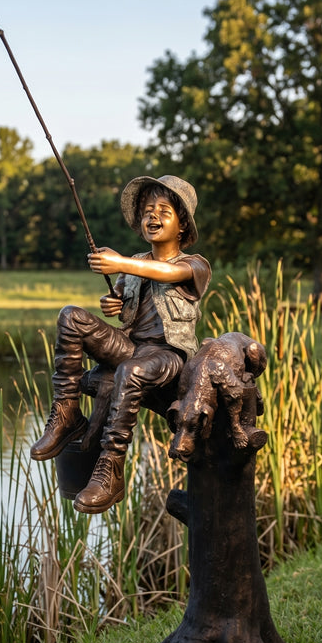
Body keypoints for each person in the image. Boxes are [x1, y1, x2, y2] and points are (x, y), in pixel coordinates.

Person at [30, 175, 211, 514]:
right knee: (70, 316)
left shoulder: (194, 264)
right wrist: (114, 303)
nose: (152, 217)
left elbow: (166, 275)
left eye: (163, 211)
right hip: (132, 346)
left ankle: (110, 468)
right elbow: (129, 311)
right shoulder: (133, 268)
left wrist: (122, 263)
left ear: (183, 225)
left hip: (169, 356)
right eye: (147, 211)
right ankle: (66, 414)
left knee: (131, 370)